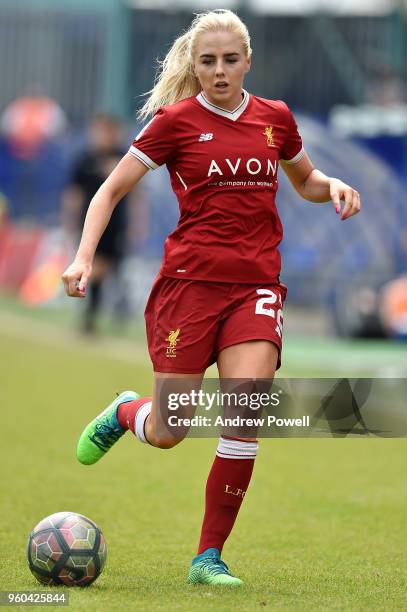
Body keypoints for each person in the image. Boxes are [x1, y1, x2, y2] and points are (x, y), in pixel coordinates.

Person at [62, 9, 361, 585]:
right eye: (208, 62)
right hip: (189, 289)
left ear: (248, 61)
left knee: (245, 412)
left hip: (256, 287)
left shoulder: (275, 119)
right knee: (172, 430)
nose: (219, 71)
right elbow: (109, 191)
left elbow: (306, 181)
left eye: (230, 60)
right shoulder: (175, 122)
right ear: (194, 66)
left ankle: (208, 558)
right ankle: (129, 413)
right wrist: (81, 256)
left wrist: (334, 187)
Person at [63, 113, 141, 334]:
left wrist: (136, 222)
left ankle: (117, 312)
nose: (101, 136)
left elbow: (136, 194)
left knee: (115, 269)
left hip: (117, 224)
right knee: (96, 269)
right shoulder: (84, 160)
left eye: (107, 131)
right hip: (92, 225)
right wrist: (71, 220)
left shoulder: (124, 158)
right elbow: (74, 194)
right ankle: (91, 316)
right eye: (98, 131)